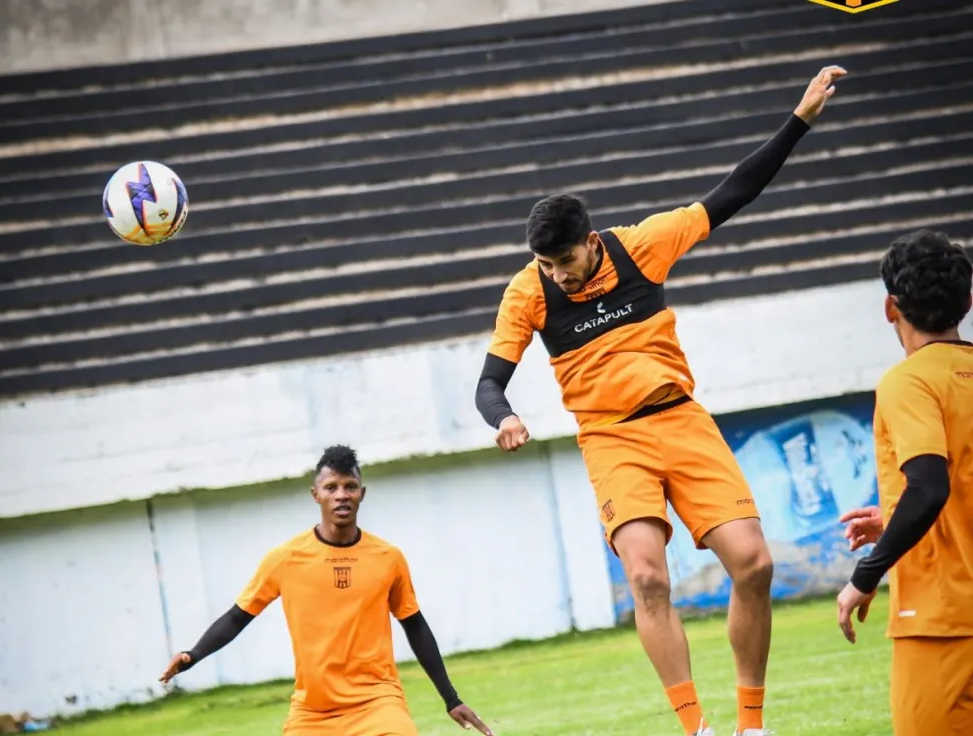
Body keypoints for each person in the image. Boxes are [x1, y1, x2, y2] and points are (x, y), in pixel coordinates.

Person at [474, 65, 847, 736]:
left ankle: (751, 725)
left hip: (679, 418)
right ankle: (696, 730)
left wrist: (800, 120)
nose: (557, 275)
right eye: (547, 266)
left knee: (755, 565)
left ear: (591, 242)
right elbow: (488, 383)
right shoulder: (528, 291)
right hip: (612, 439)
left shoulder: (642, 246)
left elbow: (734, 191)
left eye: (565, 262)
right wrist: (504, 418)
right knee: (647, 578)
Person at [159, 445, 493, 736]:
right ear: (315, 495)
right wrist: (194, 655)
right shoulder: (285, 559)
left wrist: (451, 698)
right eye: (331, 487)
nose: (341, 495)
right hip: (313, 712)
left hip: (378, 702)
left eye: (350, 486)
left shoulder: (388, 558)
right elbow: (236, 618)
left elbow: (414, 624)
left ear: (363, 493)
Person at [836, 229, 973, 736]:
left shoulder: (909, 381)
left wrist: (865, 575)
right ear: (968, 301)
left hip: (943, 622)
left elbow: (929, 487)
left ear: (890, 307)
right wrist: (894, 518)